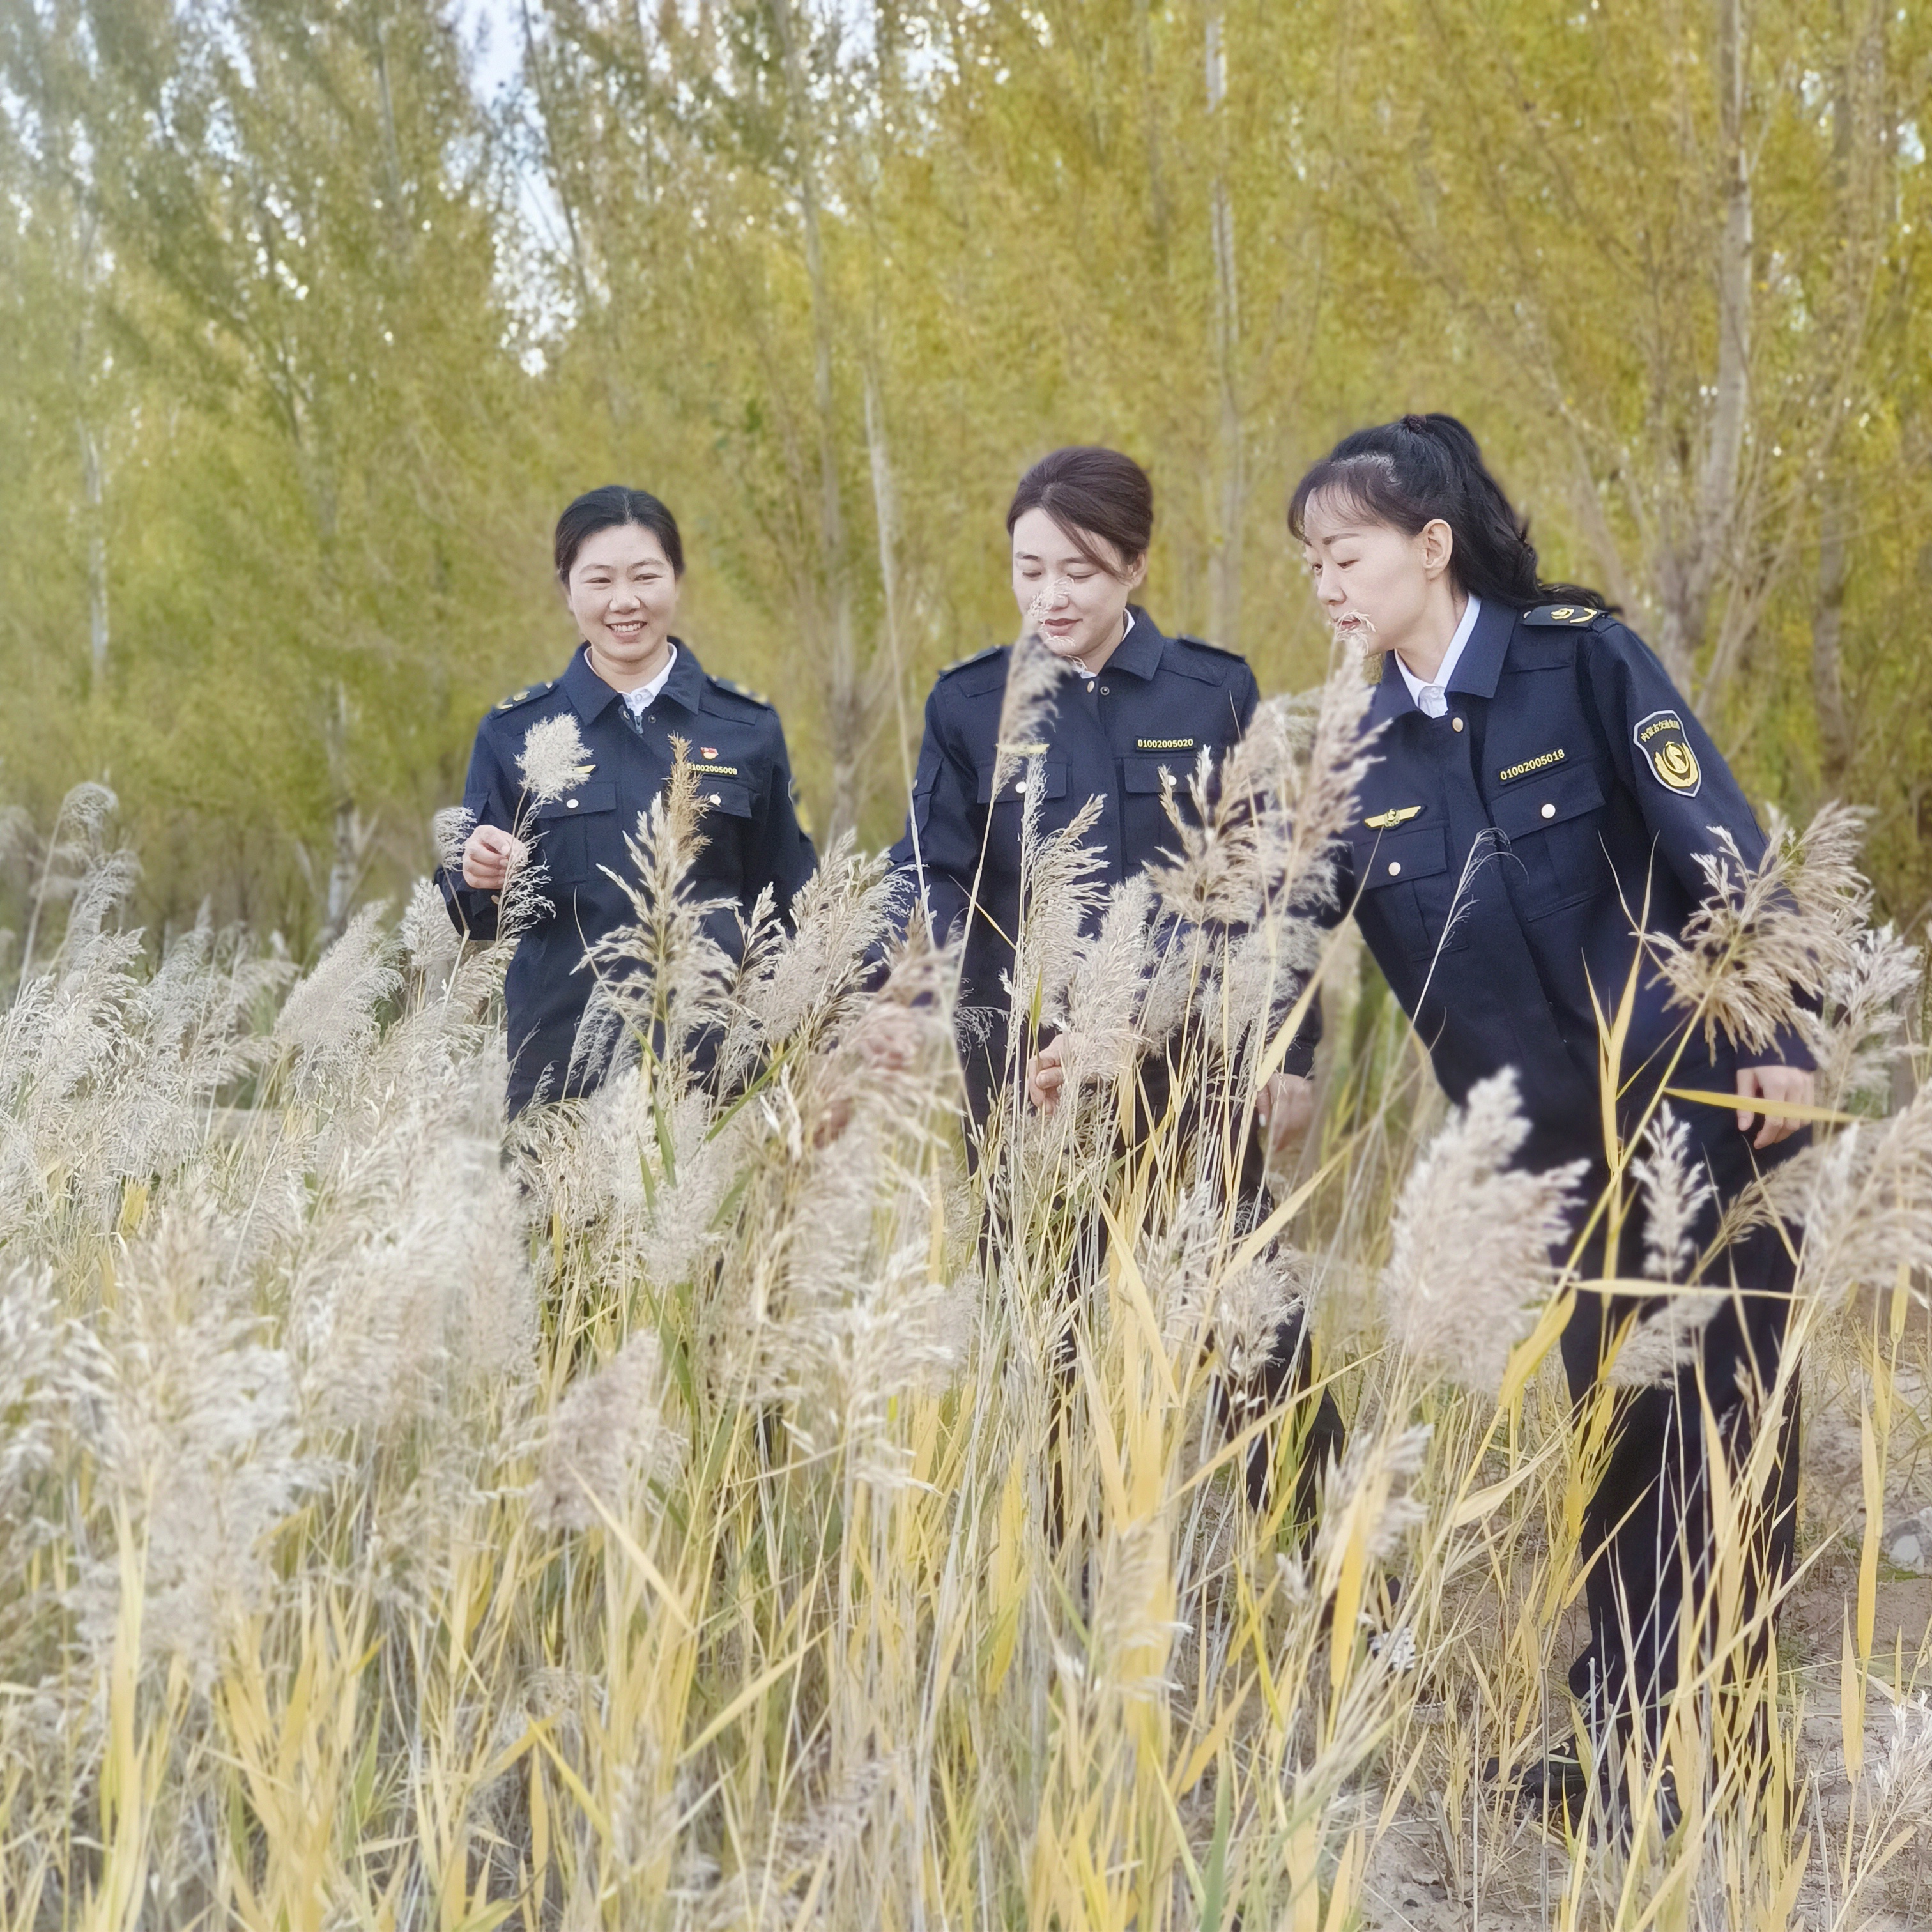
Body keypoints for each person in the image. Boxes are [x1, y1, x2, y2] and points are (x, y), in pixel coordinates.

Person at [1291, 412, 1814, 1820]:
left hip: (1708, 1107)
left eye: (1345, 555)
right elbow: (1282, 923)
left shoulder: (1579, 663)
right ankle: (1631, 1737)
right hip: (1553, 1158)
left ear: (1431, 546)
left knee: (1727, 1428)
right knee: (1620, 1434)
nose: (1325, 585)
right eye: (1310, 565)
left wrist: (1779, 1037)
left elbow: (1721, 847)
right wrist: (1280, 1056)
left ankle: (1713, 1757)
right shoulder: (1353, 750)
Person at [885, 445, 1342, 1519]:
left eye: (1079, 570)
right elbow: (930, 869)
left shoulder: (1212, 690)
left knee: (1254, 1330)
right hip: (1030, 1087)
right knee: (1049, 1349)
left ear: (1134, 565)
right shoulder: (970, 704)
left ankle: (1331, 1578)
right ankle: (1061, 1586)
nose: (1050, 595)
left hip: (1190, 1074)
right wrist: (908, 990)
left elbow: (1265, 882)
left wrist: (1290, 1049)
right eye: (1029, 569)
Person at [440, 486, 816, 1117]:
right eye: (599, 580)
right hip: (562, 1078)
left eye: (645, 576)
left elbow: (790, 901)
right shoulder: (516, 733)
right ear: (567, 591)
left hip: (716, 1077)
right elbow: (469, 916)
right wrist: (477, 873)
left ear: (677, 580)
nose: (624, 601)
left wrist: (803, 1050)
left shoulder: (747, 728)